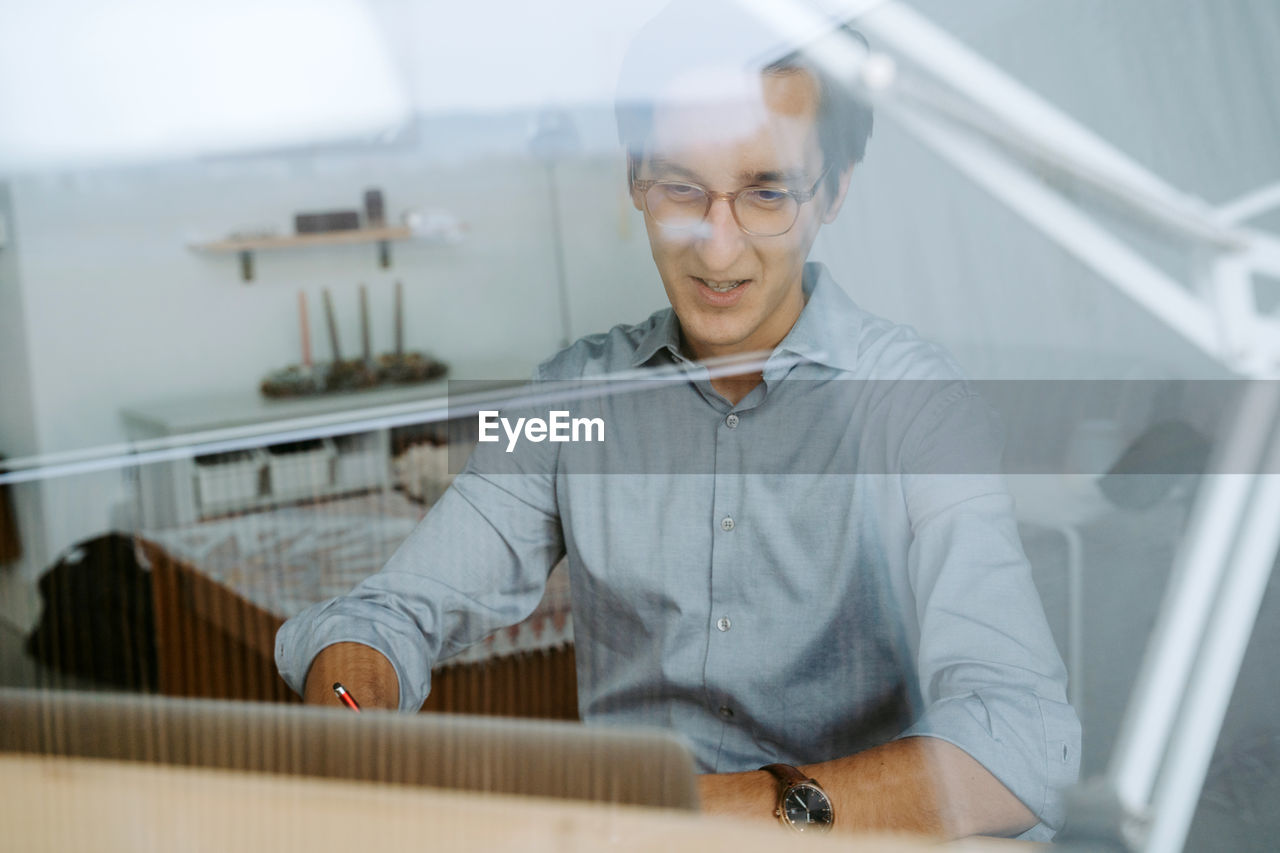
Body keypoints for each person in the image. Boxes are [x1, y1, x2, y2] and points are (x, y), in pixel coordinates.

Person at [276, 0, 1079, 840]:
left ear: (833, 193)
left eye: (766, 191)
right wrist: (352, 708)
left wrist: (738, 812)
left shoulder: (916, 407)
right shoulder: (570, 403)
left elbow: (1025, 743)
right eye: (681, 188)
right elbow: (383, 616)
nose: (717, 248)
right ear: (636, 180)